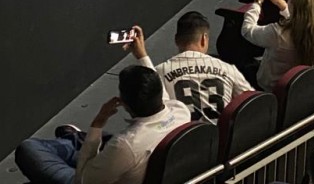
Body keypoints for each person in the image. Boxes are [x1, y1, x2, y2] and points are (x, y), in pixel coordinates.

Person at [14, 63, 190, 184]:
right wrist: (142, 55)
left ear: (124, 103)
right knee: (103, 142)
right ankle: (75, 138)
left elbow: (83, 179)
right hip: (135, 160)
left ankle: (77, 139)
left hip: (105, 170)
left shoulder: (126, 144)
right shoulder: (181, 111)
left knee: (29, 148)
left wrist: (97, 124)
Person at [126, 13, 253, 123]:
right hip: (223, 143)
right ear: (204, 39)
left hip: (183, 144)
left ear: (176, 40)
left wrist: (141, 55)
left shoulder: (160, 72)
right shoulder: (227, 68)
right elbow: (252, 102)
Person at [241, 0, 314, 91]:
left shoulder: (277, 33)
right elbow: (300, 22)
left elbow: (247, 30)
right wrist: (281, 4)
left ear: (293, 6)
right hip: (297, 88)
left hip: (268, 87)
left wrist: (258, 2)